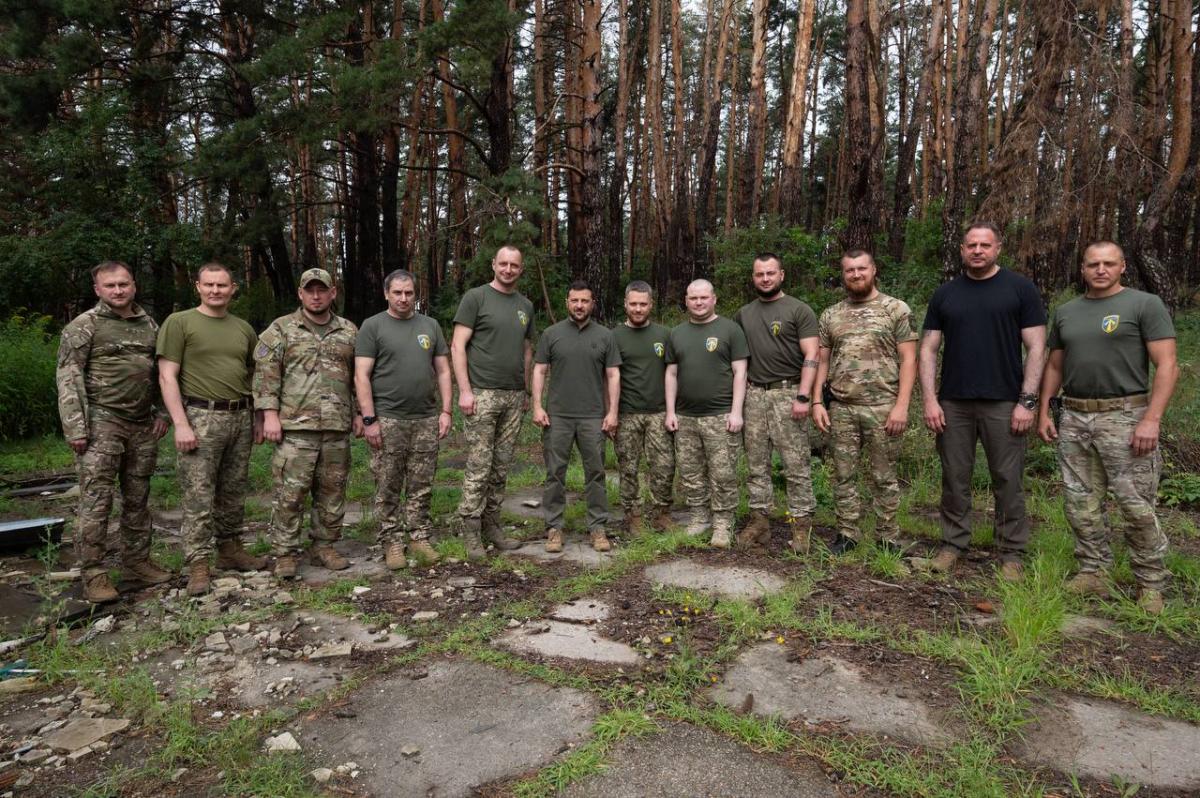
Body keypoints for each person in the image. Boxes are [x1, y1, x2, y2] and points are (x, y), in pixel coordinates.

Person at [1038, 241, 1178, 614]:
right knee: (1079, 501)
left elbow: (1167, 364)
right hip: (1075, 416)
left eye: (1108, 264)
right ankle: (1093, 570)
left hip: (1126, 416)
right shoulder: (1067, 312)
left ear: (1122, 267)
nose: (1101, 270)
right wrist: (1046, 411)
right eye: (1093, 264)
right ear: (1082, 268)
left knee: (1135, 504)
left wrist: (1152, 419)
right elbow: (1055, 365)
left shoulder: (1144, 305)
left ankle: (1150, 583)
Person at [920, 222, 1046, 581]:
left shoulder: (1019, 289)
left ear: (998, 249)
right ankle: (953, 544)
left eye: (985, 245)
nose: (978, 250)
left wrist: (1027, 402)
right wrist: (930, 400)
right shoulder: (946, 294)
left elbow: (1037, 347)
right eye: (971, 245)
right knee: (954, 477)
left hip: (1005, 402)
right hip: (953, 403)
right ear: (962, 249)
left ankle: (1011, 552)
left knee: (1007, 478)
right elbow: (928, 350)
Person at [56, 261, 171, 603]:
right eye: (110, 285)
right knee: (97, 500)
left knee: (138, 497)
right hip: (101, 423)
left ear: (134, 285)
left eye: (123, 284)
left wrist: (162, 412)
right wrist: (76, 427)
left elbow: (161, 373)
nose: (118, 290)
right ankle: (94, 572)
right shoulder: (84, 326)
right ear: (97, 289)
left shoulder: (149, 324)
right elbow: (68, 377)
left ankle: (137, 562)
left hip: (141, 424)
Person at [158, 262, 266, 596]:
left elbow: (255, 374)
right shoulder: (180, 323)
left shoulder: (243, 328)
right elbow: (167, 375)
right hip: (200, 416)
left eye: (222, 285)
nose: (215, 291)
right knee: (198, 494)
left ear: (233, 288)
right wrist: (180, 423)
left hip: (239, 416)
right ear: (198, 287)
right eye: (209, 285)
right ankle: (198, 563)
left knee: (233, 490)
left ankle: (230, 549)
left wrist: (259, 418)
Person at [253, 268, 360, 580]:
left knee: (332, 490)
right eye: (309, 290)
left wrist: (360, 413)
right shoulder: (281, 329)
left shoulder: (348, 331)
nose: (316, 296)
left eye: (321, 290)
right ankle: (285, 552)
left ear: (332, 293)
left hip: (336, 425)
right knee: (290, 493)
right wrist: (269, 415)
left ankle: (324, 545)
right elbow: (266, 374)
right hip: (295, 427)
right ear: (300, 294)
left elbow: (358, 377)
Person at [812, 251, 918, 554]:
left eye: (861, 268)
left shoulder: (896, 309)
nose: (856, 274)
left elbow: (908, 359)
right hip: (842, 407)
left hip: (883, 407)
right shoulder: (831, 314)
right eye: (849, 270)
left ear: (873, 270)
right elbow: (822, 360)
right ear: (843, 275)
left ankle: (887, 537)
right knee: (843, 474)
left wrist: (902, 406)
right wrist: (817, 401)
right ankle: (847, 533)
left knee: (884, 476)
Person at [356, 269, 452, 570]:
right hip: (388, 418)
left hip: (425, 418)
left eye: (409, 292)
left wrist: (446, 411)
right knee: (387, 483)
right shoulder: (373, 326)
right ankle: (391, 541)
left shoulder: (430, 326)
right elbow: (361, 375)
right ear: (387, 293)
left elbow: (443, 371)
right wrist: (369, 419)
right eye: (397, 292)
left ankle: (419, 536)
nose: (403, 298)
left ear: (415, 294)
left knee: (421, 483)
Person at [451, 245, 533, 558]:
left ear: (521, 269)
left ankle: (492, 525)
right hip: (482, 393)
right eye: (503, 264)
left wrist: (525, 391)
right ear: (494, 265)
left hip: (513, 396)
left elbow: (526, 349)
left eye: (514, 265)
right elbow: (458, 346)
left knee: (501, 466)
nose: (508, 269)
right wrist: (465, 390)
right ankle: (470, 528)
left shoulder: (525, 305)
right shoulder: (476, 298)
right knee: (479, 465)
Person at [734, 253, 820, 552]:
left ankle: (801, 528)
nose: (765, 279)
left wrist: (803, 396)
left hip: (788, 394)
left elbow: (812, 354)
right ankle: (760, 522)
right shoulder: (744, 314)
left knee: (796, 465)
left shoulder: (799, 310)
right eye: (760, 274)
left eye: (771, 273)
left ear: (781, 275)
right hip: (755, 395)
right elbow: (739, 358)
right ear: (753, 277)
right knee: (756, 464)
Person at [532, 282, 621, 552]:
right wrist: (537, 406)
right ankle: (554, 528)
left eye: (584, 301)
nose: (579, 305)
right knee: (555, 473)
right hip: (557, 416)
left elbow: (613, 375)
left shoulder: (605, 336)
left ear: (592, 304)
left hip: (593, 417)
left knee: (596, 473)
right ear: (567, 302)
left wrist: (612, 412)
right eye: (574, 300)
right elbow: (539, 370)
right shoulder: (551, 334)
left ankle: (597, 527)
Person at [665, 279, 749, 548]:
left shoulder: (730, 330)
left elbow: (740, 372)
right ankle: (699, 518)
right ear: (686, 301)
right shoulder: (676, 333)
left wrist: (736, 412)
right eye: (693, 298)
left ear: (714, 299)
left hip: (720, 416)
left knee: (723, 473)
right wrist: (670, 412)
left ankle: (723, 523)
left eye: (703, 297)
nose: (698, 302)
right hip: (686, 417)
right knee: (690, 472)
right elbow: (671, 373)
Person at [612, 281, 675, 534]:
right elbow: (609, 377)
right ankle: (633, 514)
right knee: (628, 467)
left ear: (651, 305)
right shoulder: (614, 336)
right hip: (627, 413)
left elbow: (673, 373)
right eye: (633, 304)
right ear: (625, 304)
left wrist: (671, 410)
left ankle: (661, 513)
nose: (638, 309)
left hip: (658, 412)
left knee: (664, 465)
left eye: (643, 304)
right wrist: (610, 412)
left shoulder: (665, 335)